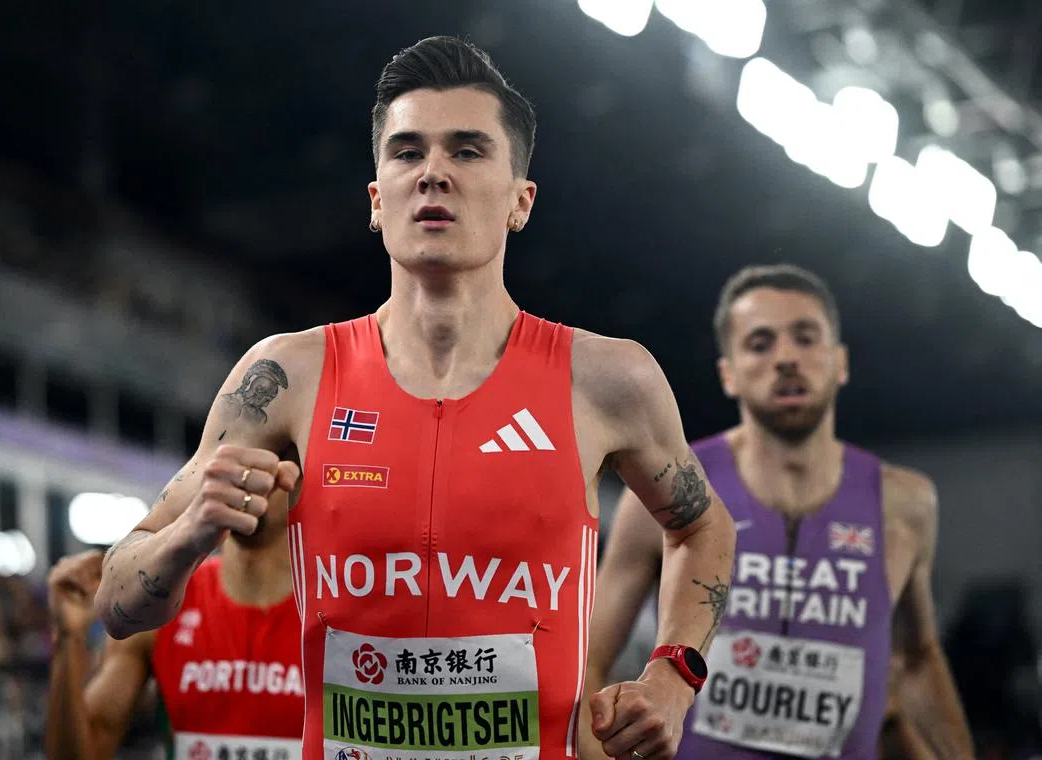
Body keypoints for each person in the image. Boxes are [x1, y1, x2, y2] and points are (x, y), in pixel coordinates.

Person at [93, 35, 737, 760]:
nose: (433, 172)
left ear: (520, 201)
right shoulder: (284, 377)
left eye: (466, 151)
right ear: (377, 199)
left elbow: (702, 528)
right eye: (406, 152)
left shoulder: (607, 379)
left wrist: (674, 673)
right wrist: (187, 538)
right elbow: (117, 603)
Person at [578, 264, 974, 759]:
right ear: (728, 373)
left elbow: (916, 661)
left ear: (840, 362)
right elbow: (585, 664)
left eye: (806, 339)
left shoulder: (905, 503)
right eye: (760, 343)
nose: (786, 358)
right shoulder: (665, 492)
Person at [45, 490, 302, 760]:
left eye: (277, 453)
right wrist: (68, 638)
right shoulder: (161, 605)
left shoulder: (334, 612)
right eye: (246, 452)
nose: (256, 473)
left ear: (300, 478)